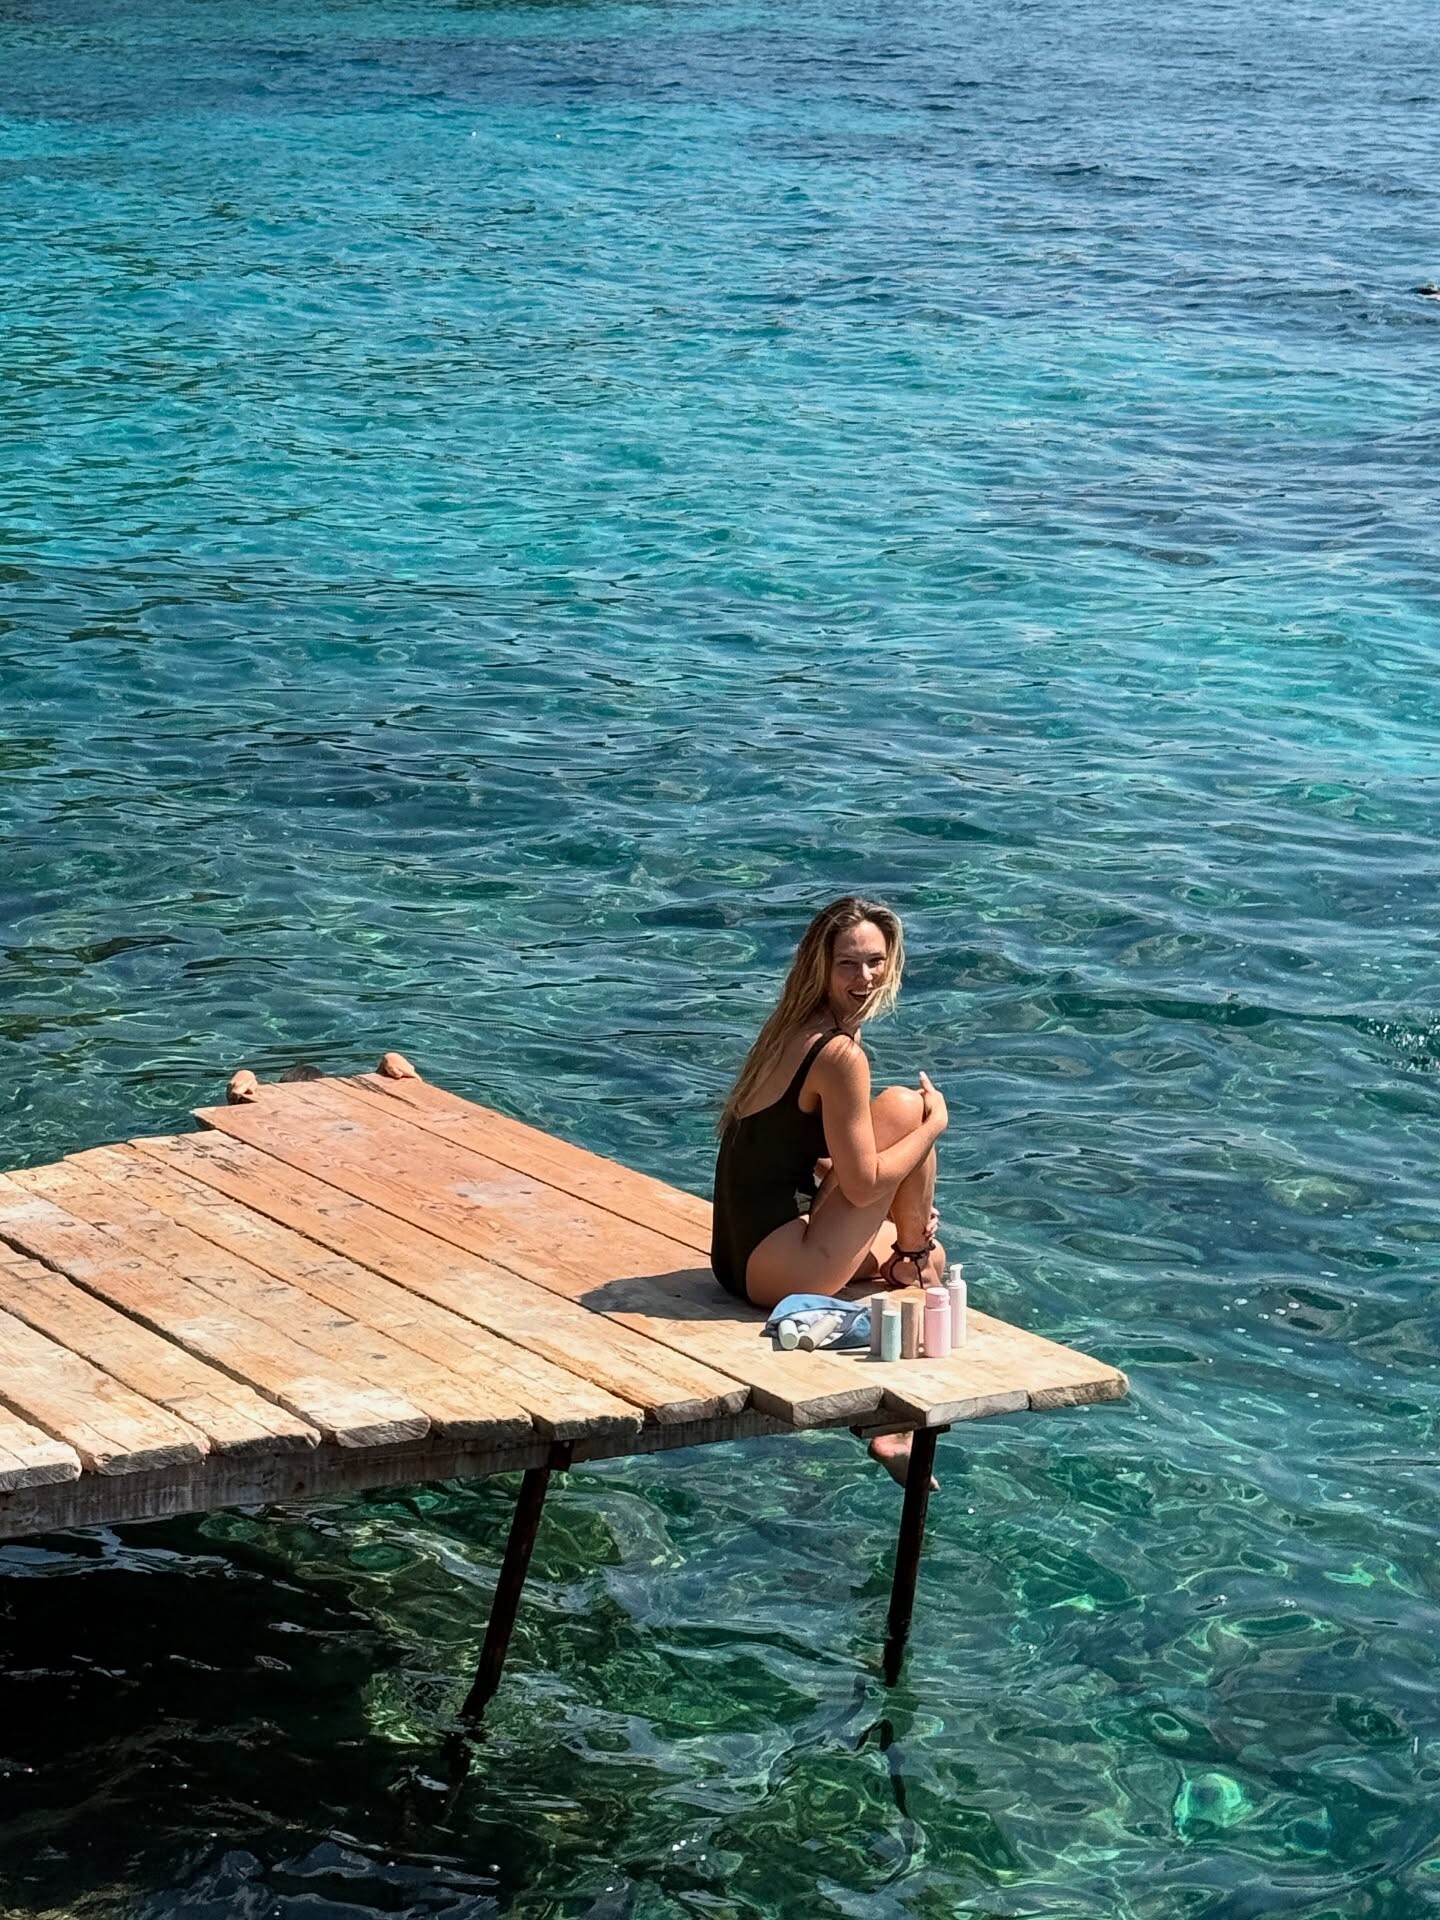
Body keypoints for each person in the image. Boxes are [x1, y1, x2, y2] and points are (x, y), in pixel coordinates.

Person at [711, 897, 949, 1486]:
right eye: (847, 964)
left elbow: (795, 1154)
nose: (864, 977)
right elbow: (864, 1184)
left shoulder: (791, 1027)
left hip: (737, 1259)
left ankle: (912, 1254)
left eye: (875, 961)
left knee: (927, 1244)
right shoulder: (840, 1053)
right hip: (781, 1268)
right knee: (909, 1110)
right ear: (819, 966)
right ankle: (894, 1423)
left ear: (891, 962)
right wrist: (934, 1126)